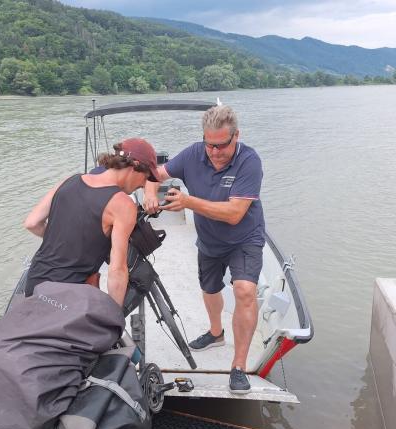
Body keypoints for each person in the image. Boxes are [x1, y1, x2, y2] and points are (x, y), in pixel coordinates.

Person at [143, 105, 264, 393]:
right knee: (210, 290)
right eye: (209, 144)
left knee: (244, 291)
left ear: (237, 136)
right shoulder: (194, 153)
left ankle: (238, 366)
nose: (214, 152)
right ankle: (216, 332)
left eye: (222, 145)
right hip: (209, 240)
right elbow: (152, 175)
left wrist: (189, 202)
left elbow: (235, 213)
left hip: (244, 238)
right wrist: (149, 194)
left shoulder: (249, 161)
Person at [24, 138, 160, 307]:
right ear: (135, 166)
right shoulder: (123, 205)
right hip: (70, 296)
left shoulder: (68, 181)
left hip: (34, 285)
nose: (142, 185)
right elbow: (117, 271)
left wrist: (67, 242)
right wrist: (115, 317)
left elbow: (32, 223)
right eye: (145, 177)